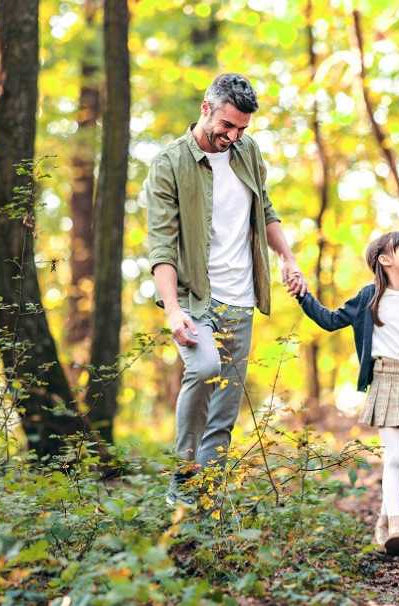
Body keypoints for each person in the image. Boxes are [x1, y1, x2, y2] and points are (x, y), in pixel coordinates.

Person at [144, 73, 307, 507]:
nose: (232, 137)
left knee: (226, 407)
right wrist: (173, 310)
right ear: (206, 109)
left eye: (242, 129)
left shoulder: (247, 152)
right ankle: (182, 481)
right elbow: (161, 242)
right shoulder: (170, 164)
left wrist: (287, 258)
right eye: (227, 126)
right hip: (195, 295)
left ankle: (208, 498)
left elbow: (265, 208)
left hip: (242, 297)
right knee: (202, 368)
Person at [295, 231, 399, 555]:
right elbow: (330, 320)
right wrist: (303, 296)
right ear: (384, 260)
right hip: (385, 380)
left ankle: (383, 523)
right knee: (395, 457)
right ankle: (397, 524)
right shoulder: (368, 297)